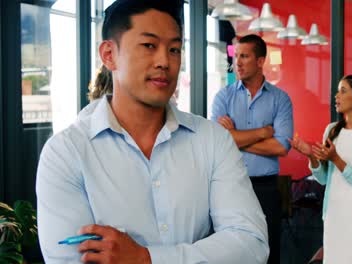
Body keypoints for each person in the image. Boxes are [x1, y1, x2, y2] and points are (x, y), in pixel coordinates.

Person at [35, 1, 268, 263]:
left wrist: (146, 258)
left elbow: (251, 243)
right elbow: (67, 259)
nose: (164, 61)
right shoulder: (67, 153)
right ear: (109, 54)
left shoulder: (211, 140)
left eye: (174, 49)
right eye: (149, 45)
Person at [210, 34, 293, 263]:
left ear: (260, 61)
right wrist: (262, 133)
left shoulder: (280, 99)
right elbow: (220, 141)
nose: (237, 62)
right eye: (236, 56)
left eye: (244, 56)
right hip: (229, 186)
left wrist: (236, 137)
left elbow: (281, 146)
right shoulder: (223, 97)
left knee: (269, 251)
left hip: (266, 188)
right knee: (231, 252)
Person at [290, 75, 352, 264]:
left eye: (343, 91)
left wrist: (336, 158)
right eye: (337, 91)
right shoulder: (332, 130)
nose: (336, 96)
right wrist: (311, 155)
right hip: (333, 214)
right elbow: (324, 179)